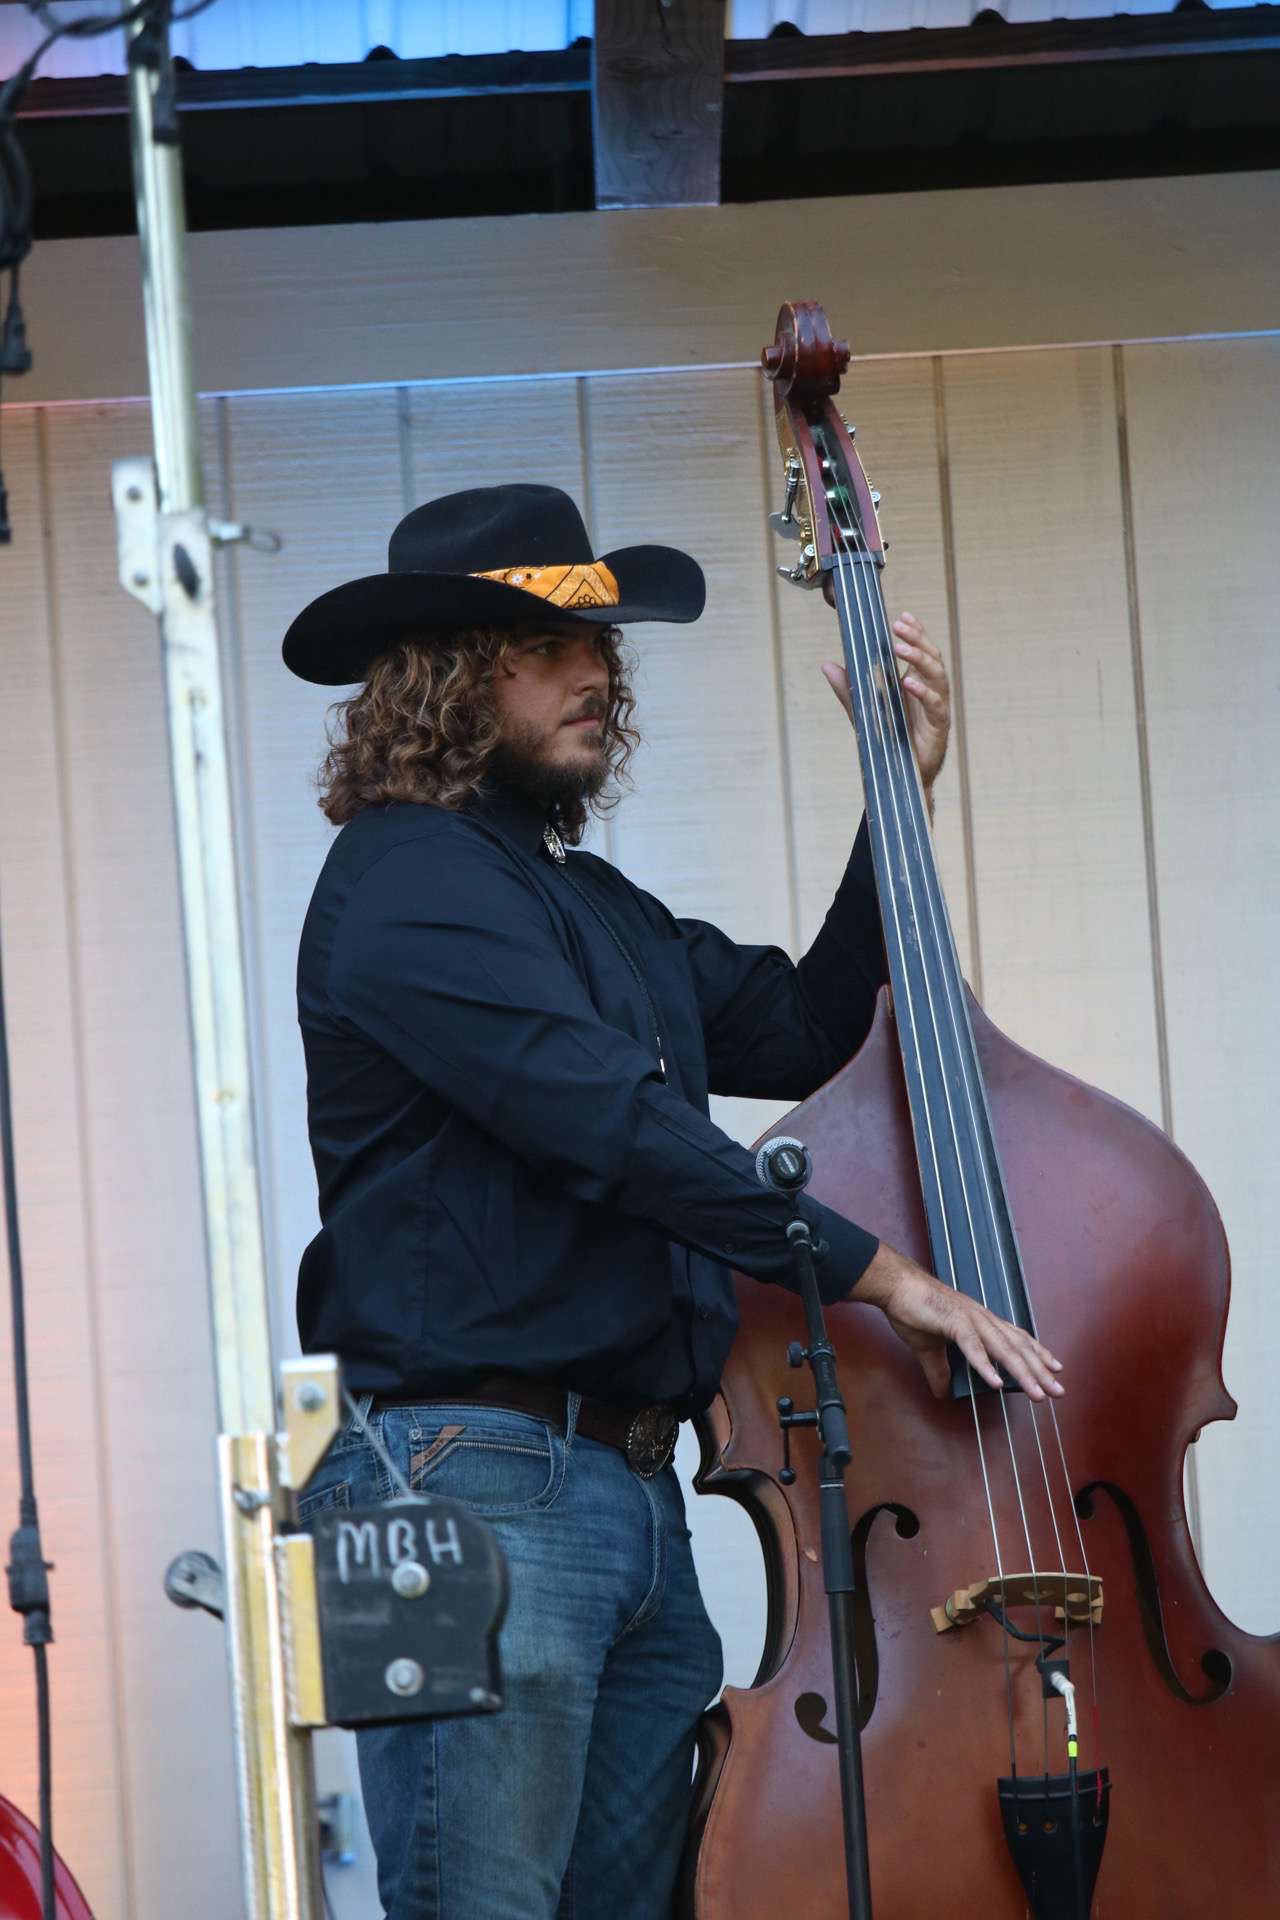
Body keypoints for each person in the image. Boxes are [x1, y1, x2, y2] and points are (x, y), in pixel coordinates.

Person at [282, 483, 1063, 1920]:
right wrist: (885, 1277)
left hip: (628, 1493)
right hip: (451, 1480)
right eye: (547, 645)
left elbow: (809, 1025)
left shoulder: (595, 908)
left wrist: (900, 790)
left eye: (604, 645)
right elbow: (616, 1131)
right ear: (450, 672)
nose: (599, 672)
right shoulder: (398, 882)